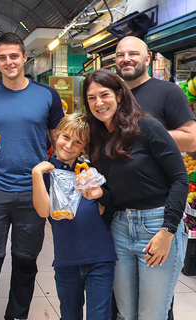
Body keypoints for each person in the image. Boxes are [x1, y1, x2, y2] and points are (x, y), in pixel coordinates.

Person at [0, 32, 64, 320]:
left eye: (13, 56)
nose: (8, 62)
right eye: (2, 57)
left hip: (34, 192)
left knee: (25, 262)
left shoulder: (47, 95)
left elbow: (61, 140)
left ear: (24, 57)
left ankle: (17, 316)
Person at [82, 69, 188, 320]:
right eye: (91, 98)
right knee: (126, 314)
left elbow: (179, 179)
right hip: (120, 228)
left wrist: (168, 230)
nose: (98, 103)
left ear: (119, 95)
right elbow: (115, 195)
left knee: (151, 315)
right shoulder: (97, 139)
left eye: (104, 94)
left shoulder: (147, 127)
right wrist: (98, 193)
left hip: (157, 227)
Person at [114, 35, 196, 320]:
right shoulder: (113, 96)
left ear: (148, 58)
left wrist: (147, 136)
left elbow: (191, 139)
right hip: (120, 217)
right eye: (121, 54)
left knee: (156, 311)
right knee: (125, 310)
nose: (127, 59)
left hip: (158, 213)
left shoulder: (167, 92)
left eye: (134, 54)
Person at [31, 113, 117, 320]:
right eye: (66, 138)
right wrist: (36, 174)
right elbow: (44, 211)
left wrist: (95, 189)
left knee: (100, 316)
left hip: (100, 259)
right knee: (69, 315)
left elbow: (103, 208)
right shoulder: (45, 173)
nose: (69, 145)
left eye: (78, 142)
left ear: (84, 148)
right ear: (56, 136)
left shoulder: (90, 173)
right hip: (66, 261)